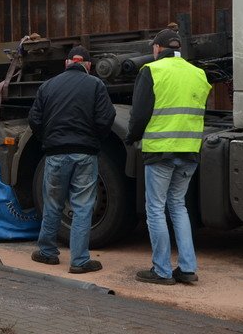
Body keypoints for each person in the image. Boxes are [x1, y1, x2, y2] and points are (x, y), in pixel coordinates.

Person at [126, 28, 211, 285]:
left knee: (155, 209)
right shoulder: (198, 74)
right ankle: (187, 268)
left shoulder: (152, 71)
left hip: (160, 151)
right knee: (178, 207)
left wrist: (131, 137)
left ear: (156, 49)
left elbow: (140, 114)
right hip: (189, 151)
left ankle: (161, 270)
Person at [28, 46, 116, 274]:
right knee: (83, 206)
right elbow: (107, 118)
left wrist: (48, 139)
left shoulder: (48, 85)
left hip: (55, 153)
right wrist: (94, 139)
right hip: (85, 154)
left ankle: (47, 252)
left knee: (53, 203)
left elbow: (34, 119)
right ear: (87, 65)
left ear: (67, 63)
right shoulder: (96, 85)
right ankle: (79, 261)